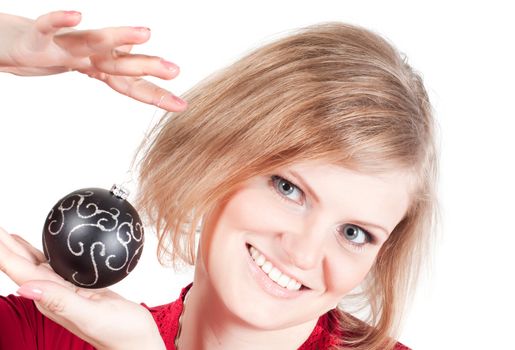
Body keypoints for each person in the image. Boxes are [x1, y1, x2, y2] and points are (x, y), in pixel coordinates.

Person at [0, 10, 437, 350]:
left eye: (354, 232)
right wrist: (8, 43)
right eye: (289, 189)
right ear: (219, 157)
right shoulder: (49, 334)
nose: (303, 253)